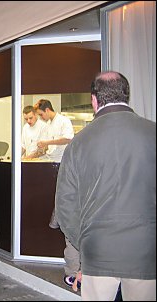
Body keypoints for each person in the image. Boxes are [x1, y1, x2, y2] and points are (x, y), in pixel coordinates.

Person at [55, 71, 156, 300]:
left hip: (98, 252)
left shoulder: (78, 143)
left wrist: (85, 241)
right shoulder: (153, 134)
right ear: (126, 95)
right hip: (146, 251)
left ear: (94, 99)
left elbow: (65, 205)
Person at [33, 99, 79, 288]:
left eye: (40, 114)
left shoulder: (63, 121)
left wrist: (48, 142)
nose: (40, 118)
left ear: (47, 110)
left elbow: (68, 139)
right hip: (49, 164)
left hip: (61, 166)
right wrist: (39, 150)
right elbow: (46, 148)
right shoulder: (48, 125)